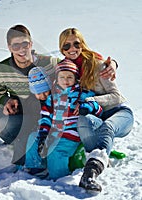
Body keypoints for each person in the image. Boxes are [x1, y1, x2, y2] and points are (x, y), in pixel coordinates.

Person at [0, 24, 117, 168]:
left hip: (38, 117)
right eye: (16, 45)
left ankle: (26, 149)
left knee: (8, 126)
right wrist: (6, 101)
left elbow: (76, 65)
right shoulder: (2, 69)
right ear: (9, 47)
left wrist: (111, 64)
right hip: (15, 112)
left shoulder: (50, 63)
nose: (21, 49)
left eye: (25, 44)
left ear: (31, 43)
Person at [58, 28, 134, 192]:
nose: (72, 48)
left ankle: (91, 172)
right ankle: (97, 159)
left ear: (82, 44)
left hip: (119, 113)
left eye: (76, 43)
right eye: (66, 46)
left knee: (107, 127)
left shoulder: (98, 64)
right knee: (82, 120)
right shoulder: (65, 69)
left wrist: (90, 100)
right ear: (61, 49)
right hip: (95, 116)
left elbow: (116, 96)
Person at [25, 59, 103, 180]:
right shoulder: (52, 97)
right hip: (53, 132)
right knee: (32, 137)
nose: (65, 80)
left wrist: (87, 106)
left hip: (70, 134)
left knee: (56, 151)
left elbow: (98, 109)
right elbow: (46, 117)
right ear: (57, 79)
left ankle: (59, 177)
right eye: (62, 77)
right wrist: (43, 134)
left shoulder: (83, 94)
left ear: (75, 78)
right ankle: (36, 168)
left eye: (69, 77)